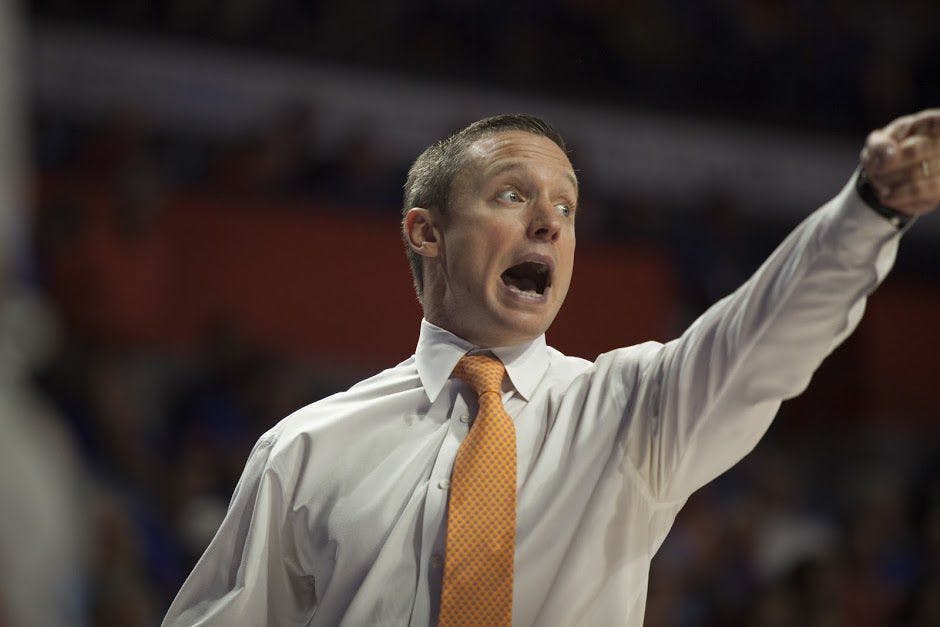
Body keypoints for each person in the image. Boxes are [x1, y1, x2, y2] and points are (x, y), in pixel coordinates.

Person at [163, 110, 940, 626]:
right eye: (512, 194)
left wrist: (869, 210)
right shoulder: (304, 448)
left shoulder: (632, 410)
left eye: (566, 207)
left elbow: (765, 332)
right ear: (426, 231)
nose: (549, 222)